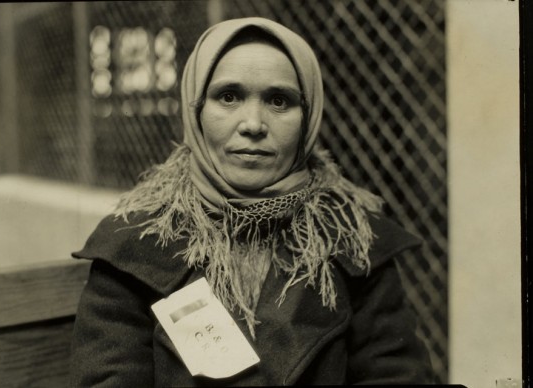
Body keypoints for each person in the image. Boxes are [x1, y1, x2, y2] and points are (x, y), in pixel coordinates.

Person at [70, 17, 435, 386]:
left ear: (307, 118)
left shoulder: (354, 240)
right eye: (229, 97)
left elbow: (396, 374)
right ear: (195, 109)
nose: (253, 123)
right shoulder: (136, 243)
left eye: (279, 101)